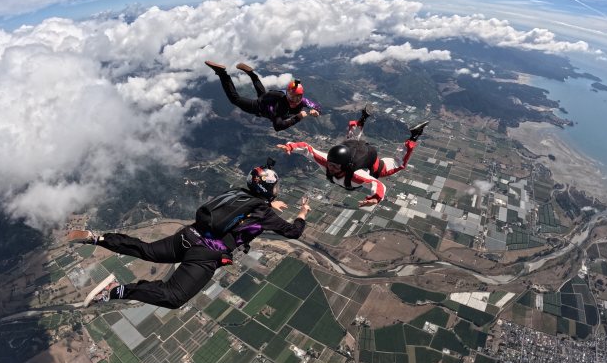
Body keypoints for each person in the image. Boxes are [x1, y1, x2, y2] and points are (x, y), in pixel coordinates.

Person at [67, 161, 311, 309]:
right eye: (274, 188)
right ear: (266, 190)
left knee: (147, 250)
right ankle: (115, 291)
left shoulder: (238, 194)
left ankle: (97, 238)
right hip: (206, 253)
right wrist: (302, 213)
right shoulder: (262, 211)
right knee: (174, 297)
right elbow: (293, 232)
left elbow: (245, 213)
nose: (277, 191)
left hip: (188, 235)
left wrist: (268, 206)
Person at [277, 106, 428, 207]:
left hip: (373, 164)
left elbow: (378, 184)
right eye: (330, 163)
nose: (330, 167)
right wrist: (291, 146)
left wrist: (376, 197)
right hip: (353, 151)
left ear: (344, 166)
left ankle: (414, 136)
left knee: (398, 164)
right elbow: (307, 149)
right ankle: (362, 119)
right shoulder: (327, 161)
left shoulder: (356, 175)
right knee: (350, 142)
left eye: (335, 166)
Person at [205, 60, 321, 131]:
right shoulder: (280, 107)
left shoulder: (302, 101)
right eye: (294, 97)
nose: (296, 100)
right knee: (235, 99)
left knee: (263, 94)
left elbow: (316, 106)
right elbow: (278, 126)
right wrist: (298, 118)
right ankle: (222, 74)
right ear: (288, 95)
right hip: (259, 106)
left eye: (299, 97)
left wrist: (315, 111)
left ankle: (251, 73)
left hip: (268, 100)